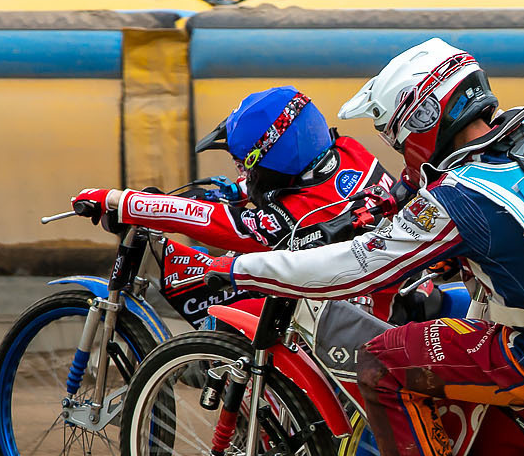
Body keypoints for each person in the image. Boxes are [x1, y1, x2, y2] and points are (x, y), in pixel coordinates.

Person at [187, 39, 524, 456]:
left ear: (424, 117)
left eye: (397, 134)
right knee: (443, 310)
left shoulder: (463, 197)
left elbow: (352, 267)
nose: (399, 150)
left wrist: (239, 267)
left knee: (382, 363)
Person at [71, 84, 402, 320]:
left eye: (247, 163)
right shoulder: (347, 151)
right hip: (395, 290)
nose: (245, 170)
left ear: (272, 158)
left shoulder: (302, 212)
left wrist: (122, 200)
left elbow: (227, 227)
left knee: (227, 315)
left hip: (368, 319)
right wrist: (234, 190)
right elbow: (295, 179)